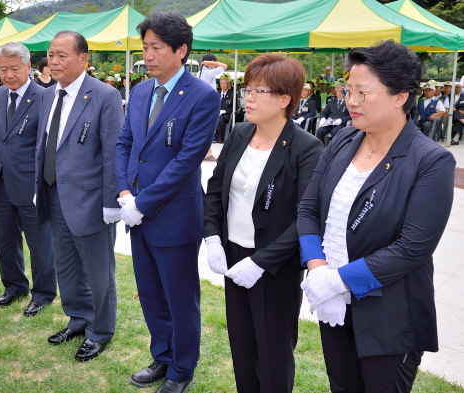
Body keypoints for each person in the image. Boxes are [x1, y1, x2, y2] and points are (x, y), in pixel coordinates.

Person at [298, 40, 455, 393]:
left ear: (400, 96)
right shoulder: (344, 139)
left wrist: (338, 280)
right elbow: (309, 209)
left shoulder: (430, 161)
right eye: (348, 90)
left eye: (363, 92)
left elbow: (412, 247)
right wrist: (317, 266)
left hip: (389, 314)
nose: (350, 101)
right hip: (333, 302)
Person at [203, 53, 322, 393]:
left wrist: (261, 262)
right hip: (234, 254)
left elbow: (306, 216)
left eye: (259, 91)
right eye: (247, 89)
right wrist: (212, 237)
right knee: (241, 345)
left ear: (285, 99)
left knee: (273, 350)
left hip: (274, 265)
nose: (248, 98)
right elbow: (216, 190)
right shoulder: (240, 133)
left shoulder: (306, 148)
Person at [115, 12, 219, 393]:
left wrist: (143, 203)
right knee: (151, 294)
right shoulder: (142, 91)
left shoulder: (203, 96)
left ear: (181, 50)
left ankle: (181, 369)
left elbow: (187, 160)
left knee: (180, 299)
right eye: (145, 47)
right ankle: (162, 355)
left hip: (172, 216)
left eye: (156, 47)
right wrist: (125, 192)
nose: (148, 55)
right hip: (136, 210)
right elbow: (125, 144)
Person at [34, 30, 123, 362]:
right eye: (51, 55)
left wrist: (112, 201)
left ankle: (100, 330)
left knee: (98, 270)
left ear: (83, 59)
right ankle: (78, 319)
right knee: (67, 265)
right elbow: (43, 146)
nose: (54, 61)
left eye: (62, 55)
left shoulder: (104, 95)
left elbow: (114, 152)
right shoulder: (46, 95)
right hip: (54, 193)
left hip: (90, 200)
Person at [0, 42, 57, 316]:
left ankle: (43, 293)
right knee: (5, 238)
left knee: (39, 242)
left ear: (28, 67)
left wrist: (44, 183)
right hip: (1, 180)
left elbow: (47, 144)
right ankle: (14, 286)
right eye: (3, 69)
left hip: (31, 182)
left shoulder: (45, 96)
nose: (9, 74)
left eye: (15, 68)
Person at [217, 77, 235, 143]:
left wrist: (224, 111)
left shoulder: (232, 94)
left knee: (221, 121)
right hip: (217, 112)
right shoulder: (217, 93)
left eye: (225, 83)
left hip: (226, 114)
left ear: (228, 85)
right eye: (221, 83)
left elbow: (233, 107)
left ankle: (221, 138)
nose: (223, 85)